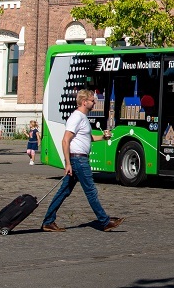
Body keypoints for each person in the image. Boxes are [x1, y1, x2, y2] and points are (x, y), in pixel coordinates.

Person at [41, 90, 124, 233]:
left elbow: (87, 137)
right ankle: (105, 222)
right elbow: (65, 140)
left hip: (79, 158)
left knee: (64, 191)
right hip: (78, 159)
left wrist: (103, 138)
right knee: (91, 190)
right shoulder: (76, 117)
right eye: (92, 100)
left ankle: (48, 222)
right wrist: (67, 163)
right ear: (84, 102)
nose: (94, 103)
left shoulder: (83, 118)